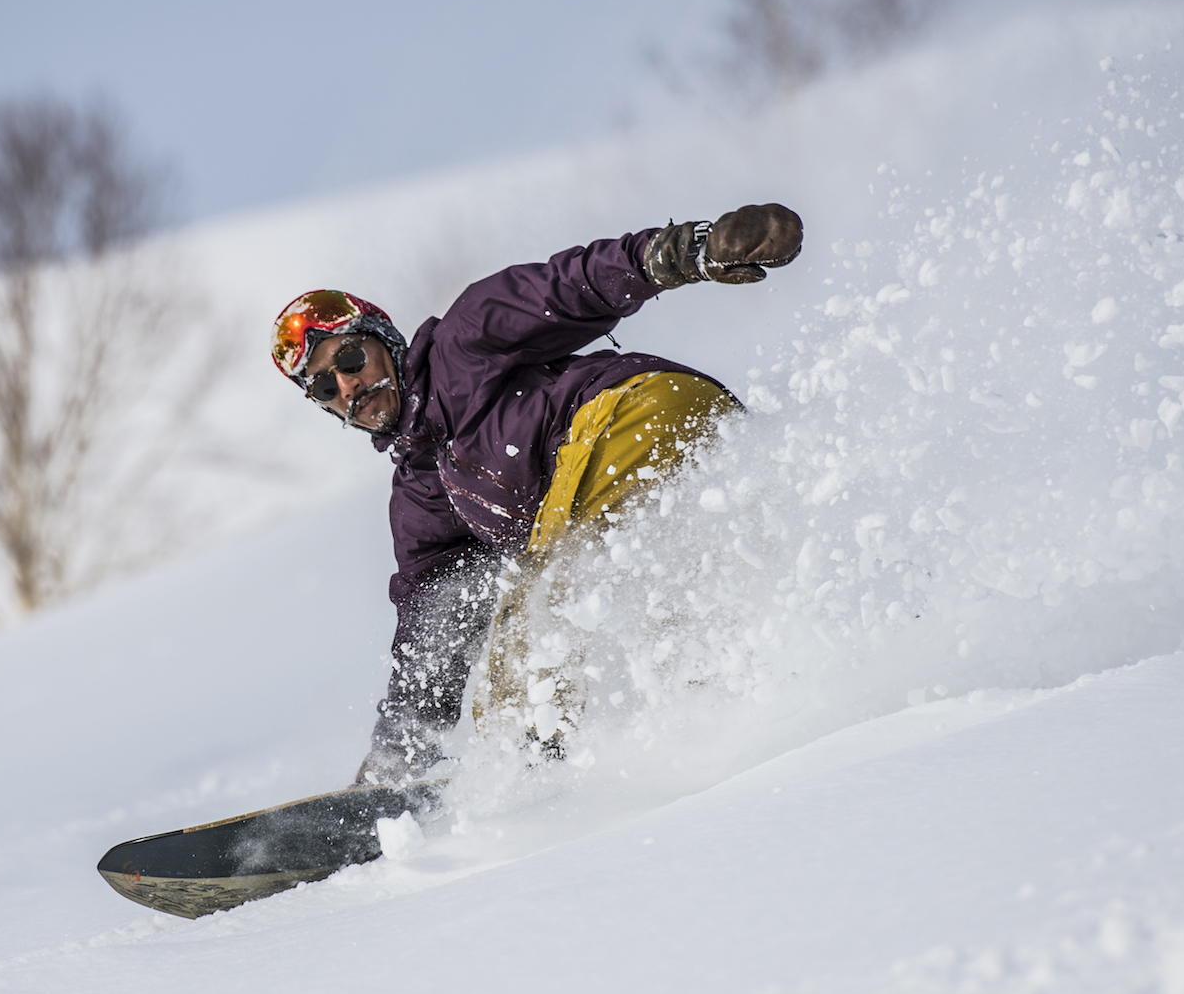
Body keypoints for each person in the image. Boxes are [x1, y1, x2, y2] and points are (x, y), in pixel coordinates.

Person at [269, 203, 803, 783]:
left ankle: (535, 788)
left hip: (635, 417)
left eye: (350, 358)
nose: (349, 386)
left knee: (535, 633)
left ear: (384, 342)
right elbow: (435, 628)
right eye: (325, 385)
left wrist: (685, 253)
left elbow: (571, 286)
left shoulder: (462, 342)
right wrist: (400, 757)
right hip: (677, 474)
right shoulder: (422, 495)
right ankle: (741, 715)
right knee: (665, 631)